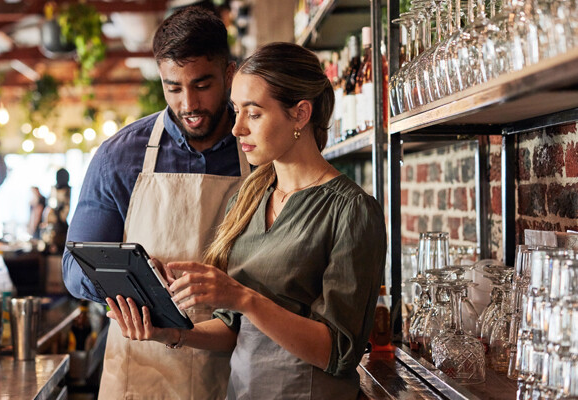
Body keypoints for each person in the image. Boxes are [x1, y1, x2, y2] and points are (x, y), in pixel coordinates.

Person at [106, 42, 387, 399]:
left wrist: (243, 297)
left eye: (253, 114)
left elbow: (338, 352)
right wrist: (169, 331)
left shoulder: (351, 210)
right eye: (236, 111)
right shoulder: (250, 196)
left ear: (300, 114)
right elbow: (233, 328)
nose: (237, 129)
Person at [61, 6, 250, 400]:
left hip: (240, 367)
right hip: (144, 367)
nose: (188, 104)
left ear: (229, 74)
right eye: (173, 88)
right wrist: (134, 281)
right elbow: (75, 268)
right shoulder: (119, 156)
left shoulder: (259, 148)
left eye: (202, 85)